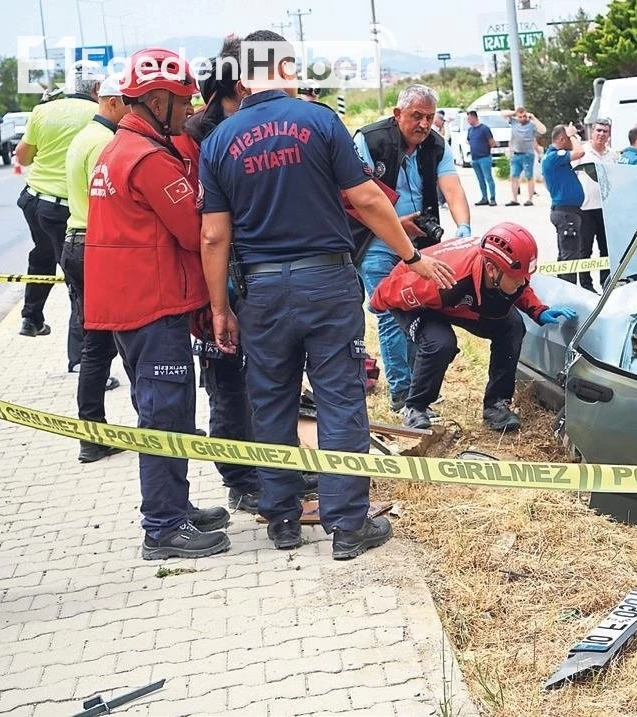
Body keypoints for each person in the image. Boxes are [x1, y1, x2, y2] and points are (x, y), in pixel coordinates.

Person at [199, 30, 455, 559]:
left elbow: (213, 235)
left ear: (243, 78)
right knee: (339, 400)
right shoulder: (320, 122)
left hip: (260, 291)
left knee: (270, 401)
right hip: (325, 283)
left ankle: (283, 521)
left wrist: (220, 307)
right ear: (289, 69)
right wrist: (412, 257)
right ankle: (346, 526)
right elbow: (365, 199)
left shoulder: (219, 141)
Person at [85, 48, 231, 560]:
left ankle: (175, 506)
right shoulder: (148, 160)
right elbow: (195, 233)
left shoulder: (120, 147)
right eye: (184, 102)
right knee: (165, 414)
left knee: (159, 407)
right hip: (153, 304)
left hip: (132, 304)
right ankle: (163, 527)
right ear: (154, 100)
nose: (191, 111)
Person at [170, 36, 267, 514]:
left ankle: (276, 468)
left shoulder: (259, 126)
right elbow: (198, 227)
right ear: (239, 86)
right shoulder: (192, 137)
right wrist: (214, 300)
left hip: (262, 275)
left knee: (271, 378)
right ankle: (242, 477)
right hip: (216, 279)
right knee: (228, 381)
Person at [369, 223, 577, 432]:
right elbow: (391, 290)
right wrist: (376, 304)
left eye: (526, 275)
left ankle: (497, 405)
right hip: (423, 300)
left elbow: (520, 287)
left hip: (462, 303)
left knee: (512, 326)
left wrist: (538, 310)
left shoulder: (509, 272)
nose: (523, 281)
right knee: (440, 343)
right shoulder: (444, 279)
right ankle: (415, 408)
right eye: (517, 277)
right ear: (491, 269)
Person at [351, 85, 473, 415]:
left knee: (422, 312)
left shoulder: (436, 144)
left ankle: (420, 389)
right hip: (376, 239)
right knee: (392, 314)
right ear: (397, 114)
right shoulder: (370, 139)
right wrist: (395, 223)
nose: (423, 124)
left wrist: (464, 228)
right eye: (416, 116)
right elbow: (356, 196)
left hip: (423, 243)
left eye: (430, 118)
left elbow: (452, 186)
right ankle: (403, 393)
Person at [62, 72, 126, 464]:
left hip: (75, 242)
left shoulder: (85, 136)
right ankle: (95, 433)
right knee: (112, 344)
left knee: (95, 345)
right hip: (95, 245)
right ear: (113, 102)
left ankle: (92, 432)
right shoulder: (105, 142)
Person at [17, 61, 102, 354]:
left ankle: (31, 318)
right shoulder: (98, 114)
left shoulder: (43, 110)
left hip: (33, 199)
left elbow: (23, 158)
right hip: (64, 209)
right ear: (96, 89)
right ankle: (79, 357)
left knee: (40, 257)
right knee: (77, 280)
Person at [542, 124, 589, 289]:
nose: (572, 141)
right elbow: (580, 152)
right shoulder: (555, 156)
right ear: (562, 139)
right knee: (570, 258)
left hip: (567, 212)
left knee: (566, 256)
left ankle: (563, 288)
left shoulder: (555, 158)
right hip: (566, 213)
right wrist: (573, 135)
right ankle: (569, 292)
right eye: (568, 138)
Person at [574, 119, 616, 291]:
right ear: (592, 132)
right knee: (585, 250)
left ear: (609, 135)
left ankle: (606, 283)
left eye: (605, 131)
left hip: (605, 209)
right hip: (585, 208)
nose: (601, 134)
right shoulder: (581, 153)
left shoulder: (612, 155)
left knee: (606, 249)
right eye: (598, 130)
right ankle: (586, 285)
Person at [504, 106, 545, 206]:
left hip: (527, 154)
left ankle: (530, 199)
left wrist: (533, 118)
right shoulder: (513, 122)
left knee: (529, 176)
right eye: (520, 116)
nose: (522, 118)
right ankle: (514, 199)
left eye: (524, 116)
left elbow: (543, 130)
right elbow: (503, 114)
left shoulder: (531, 125)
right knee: (514, 176)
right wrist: (514, 113)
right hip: (516, 154)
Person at [466, 110, 496, 206]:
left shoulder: (484, 129)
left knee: (488, 178)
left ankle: (492, 198)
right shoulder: (470, 130)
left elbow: (492, 142)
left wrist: (487, 151)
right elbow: (469, 141)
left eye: (469, 118)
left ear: (474, 117)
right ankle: (484, 197)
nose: (468, 120)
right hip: (475, 158)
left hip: (484, 157)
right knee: (480, 179)